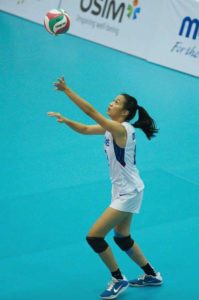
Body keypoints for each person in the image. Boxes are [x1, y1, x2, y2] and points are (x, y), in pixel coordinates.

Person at [48, 76, 163, 300]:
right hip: (125, 189)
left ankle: (118, 279)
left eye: (116, 102)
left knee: (94, 237)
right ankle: (152, 275)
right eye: (113, 100)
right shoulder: (112, 128)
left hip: (128, 192)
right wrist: (66, 120)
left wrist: (67, 90)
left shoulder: (121, 130)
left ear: (125, 113)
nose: (111, 103)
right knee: (121, 238)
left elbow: (90, 112)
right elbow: (84, 128)